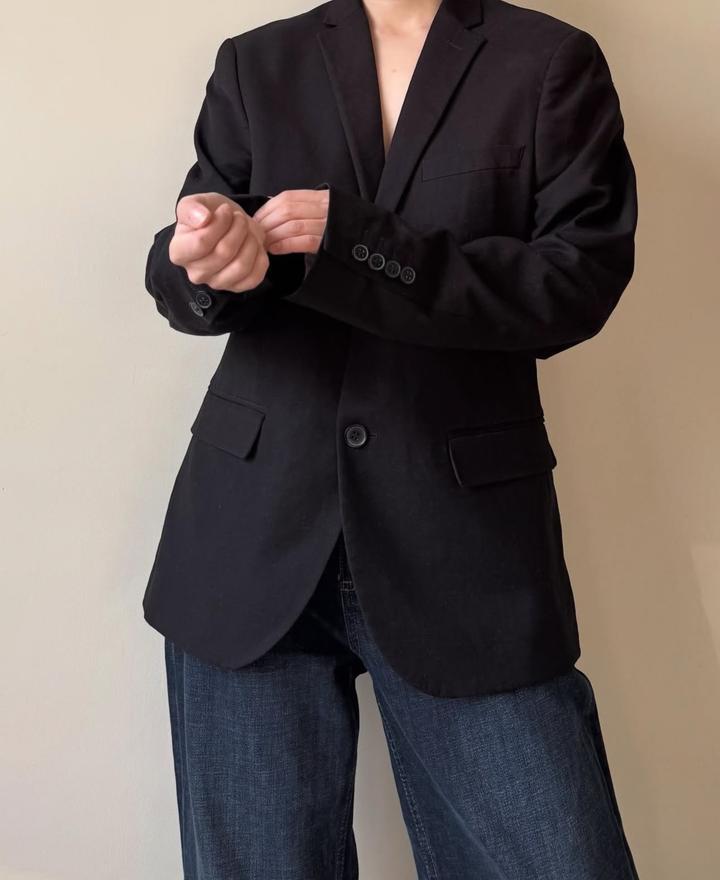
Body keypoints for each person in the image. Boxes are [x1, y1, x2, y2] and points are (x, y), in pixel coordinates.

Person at [142, 0, 640, 876]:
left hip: (464, 542)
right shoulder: (257, 61)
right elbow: (192, 250)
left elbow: (577, 283)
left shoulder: (551, 61)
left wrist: (366, 243)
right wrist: (209, 260)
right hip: (248, 536)